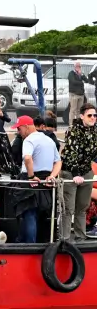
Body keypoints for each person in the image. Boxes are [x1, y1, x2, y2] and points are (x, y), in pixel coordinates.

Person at [13, 115, 62, 242]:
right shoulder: (49, 140)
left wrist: (31, 176)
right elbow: (58, 162)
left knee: (29, 213)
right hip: (45, 180)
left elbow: (27, 158)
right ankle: (38, 243)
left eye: (19, 129)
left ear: (26, 127)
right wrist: (52, 176)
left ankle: (29, 246)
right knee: (41, 214)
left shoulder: (28, 140)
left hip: (30, 178)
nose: (18, 132)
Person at [59, 103, 97, 241]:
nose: (93, 118)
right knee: (68, 209)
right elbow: (71, 153)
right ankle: (65, 238)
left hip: (86, 171)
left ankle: (81, 237)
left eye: (95, 115)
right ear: (82, 116)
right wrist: (75, 174)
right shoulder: (73, 130)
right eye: (89, 115)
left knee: (82, 207)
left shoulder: (95, 131)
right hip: (70, 172)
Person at [69, 61, 89, 127]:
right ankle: (71, 124)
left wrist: (82, 75)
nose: (78, 67)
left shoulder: (81, 74)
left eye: (79, 66)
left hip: (81, 94)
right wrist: (81, 82)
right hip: (74, 94)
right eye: (77, 66)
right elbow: (73, 81)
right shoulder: (71, 73)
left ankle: (78, 124)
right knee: (73, 109)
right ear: (74, 67)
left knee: (79, 110)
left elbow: (87, 80)